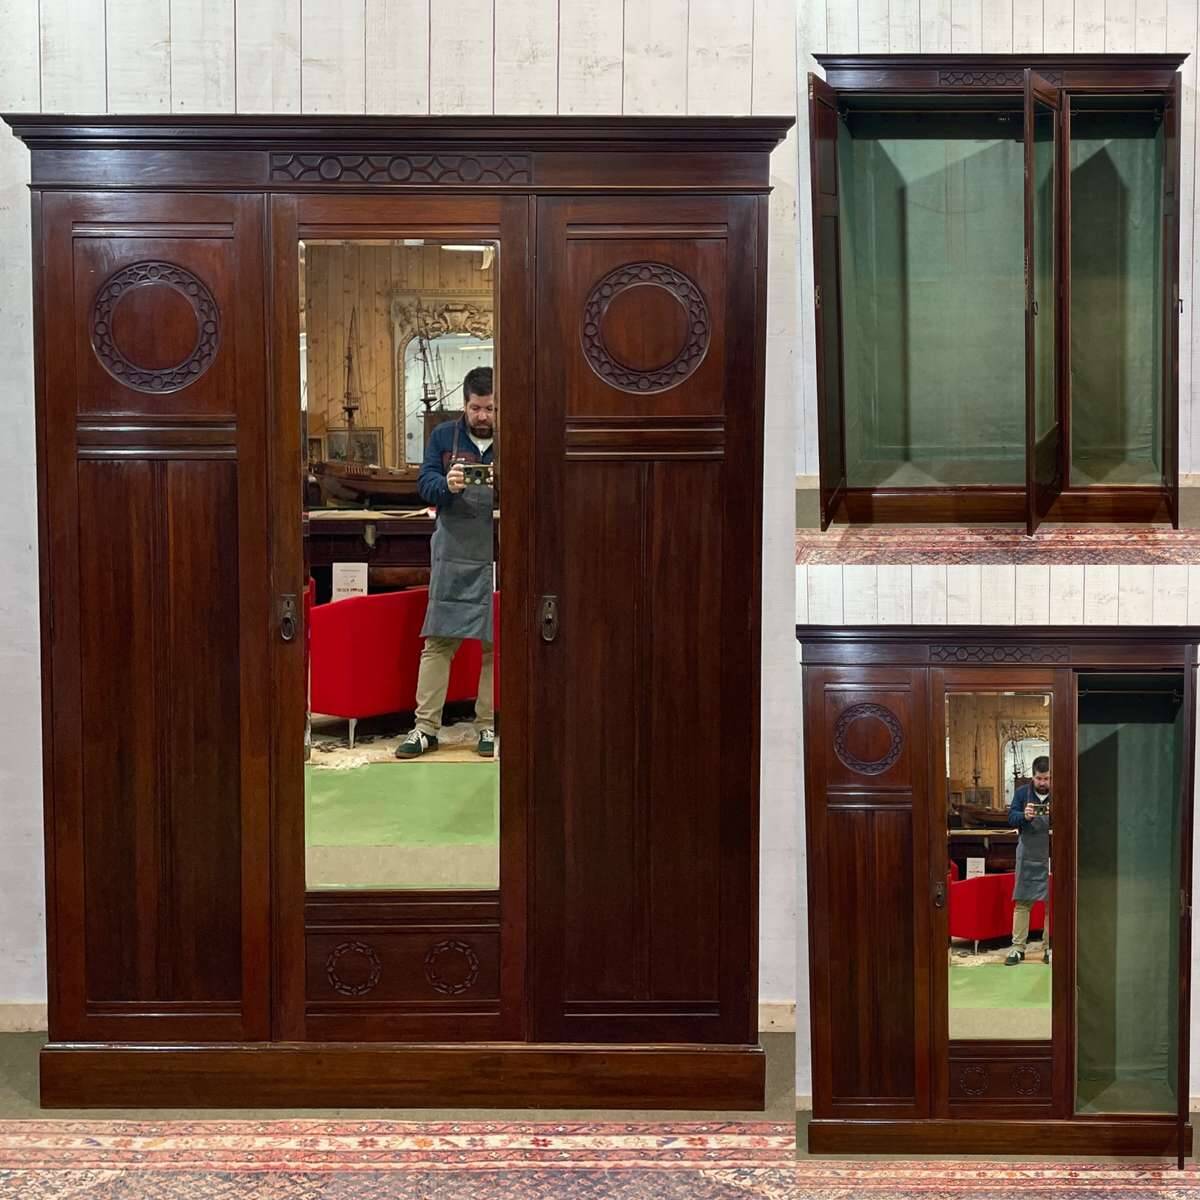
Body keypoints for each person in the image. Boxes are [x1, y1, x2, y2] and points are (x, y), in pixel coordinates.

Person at [395, 366, 496, 760]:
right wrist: (447, 485)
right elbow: (424, 484)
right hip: (452, 550)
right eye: (476, 408)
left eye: (489, 408)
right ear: (465, 404)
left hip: (496, 551)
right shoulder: (442, 437)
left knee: (494, 644)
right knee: (438, 641)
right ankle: (425, 729)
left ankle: (488, 726)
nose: (483, 416)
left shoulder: (514, 436)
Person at [1005, 756, 1051, 966]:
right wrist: (1024, 815)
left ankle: (1049, 948)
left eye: (1047, 778)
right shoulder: (1022, 793)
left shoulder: (1061, 792)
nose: (1043, 783)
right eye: (1039, 778)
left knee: (1053, 904)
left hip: (1051, 854)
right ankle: (1017, 948)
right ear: (1032, 776)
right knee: (1023, 902)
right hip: (1028, 853)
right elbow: (1011, 818)